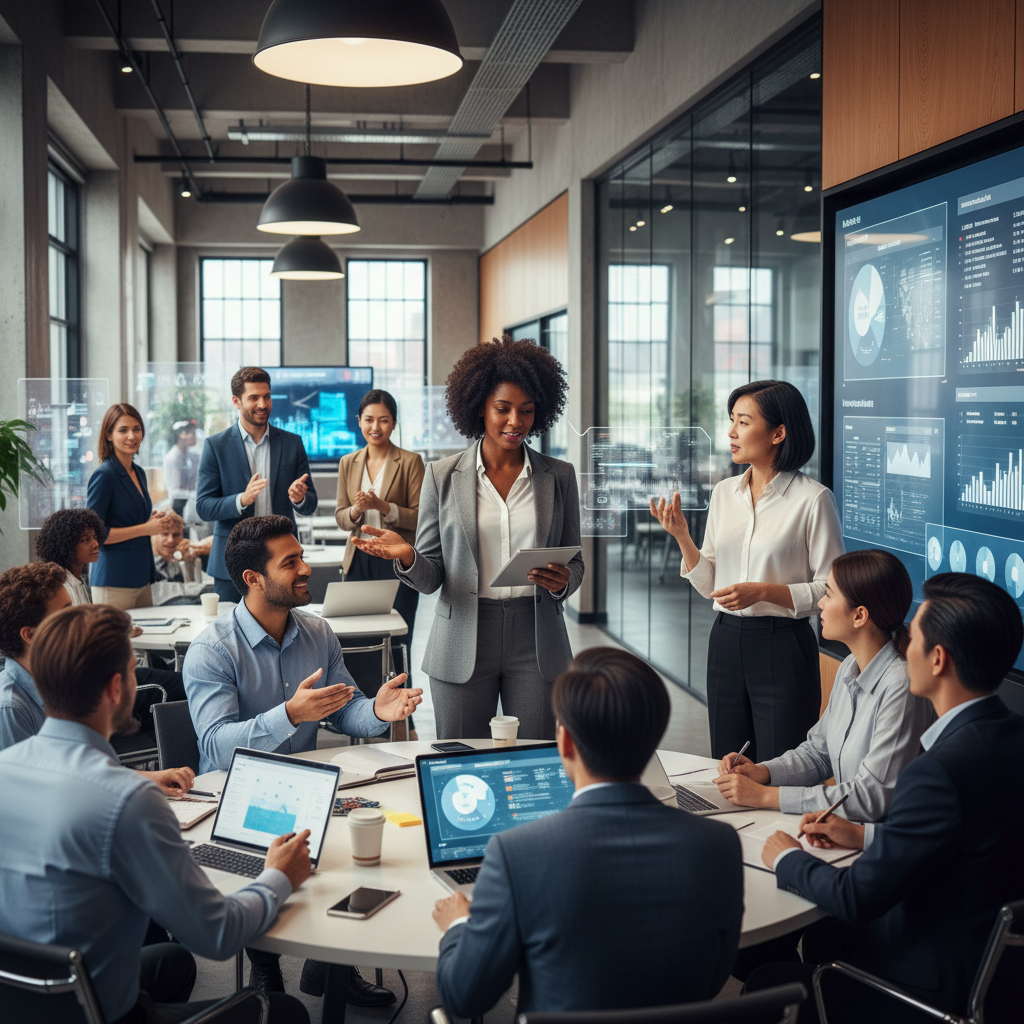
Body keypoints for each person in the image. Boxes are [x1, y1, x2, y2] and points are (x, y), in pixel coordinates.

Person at [0, 602, 310, 1024]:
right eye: (133, 671)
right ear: (116, 688)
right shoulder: (127, 801)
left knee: (170, 961)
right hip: (96, 1014)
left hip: (23, 998)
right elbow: (218, 936)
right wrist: (278, 876)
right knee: (286, 1013)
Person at [747, 573, 1024, 1024]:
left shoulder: (936, 773)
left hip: (931, 990)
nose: (902, 646)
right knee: (824, 938)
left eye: (912, 637)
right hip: (1000, 977)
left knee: (766, 982)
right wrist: (865, 837)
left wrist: (786, 857)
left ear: (938, 660)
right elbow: (968, 840)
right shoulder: (1011, 736)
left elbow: (855, 897)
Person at [183, 514, 421, 1006]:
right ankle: (265, 969)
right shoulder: (213, 649)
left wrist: (378, 711)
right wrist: (289, 715)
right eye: (290, 562)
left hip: (309, 789)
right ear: (253, 578)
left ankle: (329, 969)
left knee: (368, 843)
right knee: (271, 848)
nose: (306, 569)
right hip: (237, 796)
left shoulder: (317, 632)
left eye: (302, 557)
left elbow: (346, 709)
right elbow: (217, 747)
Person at [432, 647, 743, 1017]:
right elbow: (713, 980)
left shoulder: (517, 853)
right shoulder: (720, 845)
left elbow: (464, 997)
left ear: (564, 742)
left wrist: (459, 924)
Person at [351, 335, 585, 740]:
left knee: (534, 760)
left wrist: (565, 580)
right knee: (460, 761)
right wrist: (408, 556)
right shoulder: (442, 476)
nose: (515, 422)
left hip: (537, 639)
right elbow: (431, 578)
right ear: (479, 406)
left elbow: (576, 561)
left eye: (526, 410)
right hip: (461, 635)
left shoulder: (559, 476)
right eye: (503, 409)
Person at [651, 380, 844, 762]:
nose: (731, 432)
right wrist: (682, 537)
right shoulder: (724, 493)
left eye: (743, 421)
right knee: (727, 761)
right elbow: (711, 585)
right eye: (731, 420)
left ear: (778, 433)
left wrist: (765, 592)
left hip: (783, 646)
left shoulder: (814, 499)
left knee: (781, 763)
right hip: (725, 642)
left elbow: (831, 589)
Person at [714, 549, 934, 822]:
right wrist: (763, 772)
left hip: (877, 841)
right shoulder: (850, 666)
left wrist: (766, 796)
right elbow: (819, 753)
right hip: (843, 831)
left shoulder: (900, 686)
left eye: (828, 595)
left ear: (859, 616)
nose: (820, 603)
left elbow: (871, 798)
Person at [0, 561, 195, 797]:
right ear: (31, 635)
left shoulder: (63, 676)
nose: (78, 620)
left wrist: (145, 778)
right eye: (66, 613)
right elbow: (32, 792)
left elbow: (81, 770)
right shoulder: (10, 708)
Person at [195, 367, 318, 603]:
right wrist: (241, 500)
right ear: (236, 401)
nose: (262, 404)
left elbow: (310, 503)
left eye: (267, 396)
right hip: (232, 561)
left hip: (283, 560)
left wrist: (300, 498)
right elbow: (204, 506)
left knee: (283, 623)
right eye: (254, 398)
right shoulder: (216, 446)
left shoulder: (292, 443)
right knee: (231, 625)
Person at [334, 389, 424, 682]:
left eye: (383, 420)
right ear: (358, 421)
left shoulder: (410, 461)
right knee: (359, 642)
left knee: (397, 642)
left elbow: (421, 517)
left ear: (394, 423)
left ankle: (402, 711)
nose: (375, 427)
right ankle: (364, 708)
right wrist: (357, 510)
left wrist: (382, 506)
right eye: (369, 419)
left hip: (396, 561)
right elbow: (341, 517)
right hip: (358, 560)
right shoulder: (348, 462)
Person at [87, 402, 169, 609]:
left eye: (136, 429)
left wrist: (150, 521)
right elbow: (94, 534)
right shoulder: (104, 475)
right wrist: (145, 528)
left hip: (142, 578)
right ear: (109, 435)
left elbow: (129, 519)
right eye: (123, 430)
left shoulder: (139, 472)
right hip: (114, 580)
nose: (132, 436)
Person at [36, 505, 106, 604]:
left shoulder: (77, 579)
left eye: (94, 537)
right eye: (85, 540)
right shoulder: (61, 587)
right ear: (66, 545)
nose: (96, 544)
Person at [150, 510, 214, 606]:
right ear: (151, 535)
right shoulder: (148, 564)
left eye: (176, 535)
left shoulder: (177, 561)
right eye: (165, 534)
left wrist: (191, 561)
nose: (171, 540)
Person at [163, 419, 199, 518]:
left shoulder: (191, 455)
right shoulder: (173, 457)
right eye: (193, 433)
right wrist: (196, 495)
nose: (195, 437)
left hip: (190, 503)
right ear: (182, 435)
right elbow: (175, 492)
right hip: (179, 508)